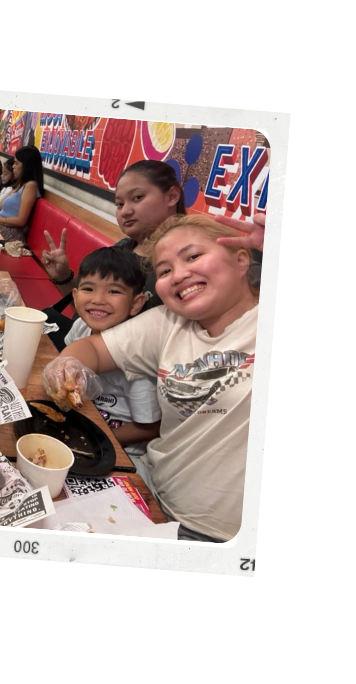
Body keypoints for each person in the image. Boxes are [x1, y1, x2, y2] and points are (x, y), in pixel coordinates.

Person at [41, 215, 260, 543]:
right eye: (165, 270)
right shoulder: (168, 322)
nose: (180, 274)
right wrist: (66, 367)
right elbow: (92, 349)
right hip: (147, 489)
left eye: (193, 256)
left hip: (221, 537)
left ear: (241, 259)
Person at [46, 245, 161, 460]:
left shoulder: (135, 361)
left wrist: (98, 438)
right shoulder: (80, 327)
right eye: (89, 289)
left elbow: (150, 428)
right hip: (82, 420)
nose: (98, 299)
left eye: (114, 291)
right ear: (75, 294)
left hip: (121, 449)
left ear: (136, 303)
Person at [37, 159, 189, 310]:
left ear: (172, 196)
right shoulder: (122, 249)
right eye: (119, 204)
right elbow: (93, 311)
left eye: (137, 197)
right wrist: (63, 276)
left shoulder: (186, 261)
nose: (126, 211)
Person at [0, 144, 45, 243]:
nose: (13, 166)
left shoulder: (30, 186)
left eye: (16, 163)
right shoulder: (20, 185)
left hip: (11, 232)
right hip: (1, 226)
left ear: (26, 166)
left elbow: (21, 221)